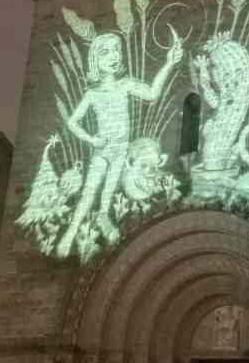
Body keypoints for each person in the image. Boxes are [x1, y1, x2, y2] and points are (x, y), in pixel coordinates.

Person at [55, 29, 183, 258]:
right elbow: (73, 122)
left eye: (117, 51)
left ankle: (103, 217)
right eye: (106, 52)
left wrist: (169, 63)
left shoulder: (126, 84)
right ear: (95, 60)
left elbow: (152, 93)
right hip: (102, 149)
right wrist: (91, 138)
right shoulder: (92, 94)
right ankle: (70, 232)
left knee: (108, 190)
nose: (114, 56)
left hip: (120, 148)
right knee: (89, 190)